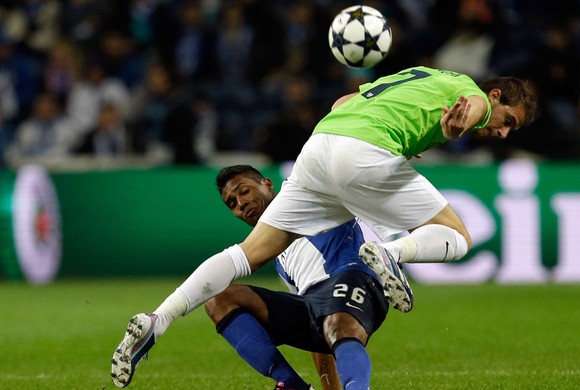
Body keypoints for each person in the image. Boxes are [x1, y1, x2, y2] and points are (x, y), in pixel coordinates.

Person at [111, 65, 538, 386]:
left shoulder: (421, 75)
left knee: (246, 255)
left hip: (318, 147)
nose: (502, 133)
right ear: (496, 94)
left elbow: (341, 104)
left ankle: (160, 317)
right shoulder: (469, 92)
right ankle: (391, 254)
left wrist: (411, 136)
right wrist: (470, 119)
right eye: (509, 122)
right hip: (365, 153)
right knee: (459, 237)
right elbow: (478, 106)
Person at [112, 165, 389, 389]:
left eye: (244, 191)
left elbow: (344, 169)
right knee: (220, 297)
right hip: (319, 305)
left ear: (267, 184)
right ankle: (291, 385)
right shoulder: (275, 253)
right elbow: (318, 323)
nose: (241, 204)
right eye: (232, 203)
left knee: (337, 323)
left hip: (356, 281)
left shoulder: (307, 196)